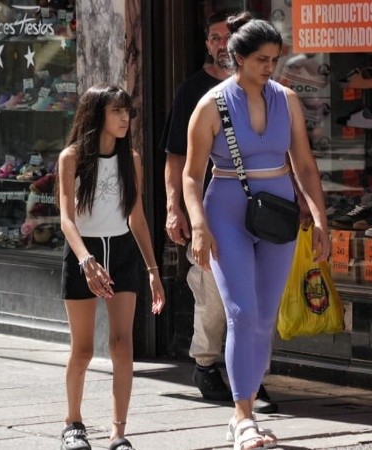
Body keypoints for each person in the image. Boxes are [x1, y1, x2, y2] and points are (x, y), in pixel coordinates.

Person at [182, 12, 330, 450]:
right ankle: (242, 414)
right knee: (241, 313)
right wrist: (197, 225)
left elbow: (304, 163)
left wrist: (320, 217)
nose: (270, 67)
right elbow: (191, 175)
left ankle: (244, 409)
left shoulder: (287, 99)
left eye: (275, 59)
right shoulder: (211, 105)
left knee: (265, 318)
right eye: (261, 59)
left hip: (279, 212)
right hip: (226, 210)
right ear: (239, 58)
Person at [161, 8, 277, 414]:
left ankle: (253, 379)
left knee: (257, 301)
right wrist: (175, 209)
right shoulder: (195, 91)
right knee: (214, 296)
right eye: (212, 37)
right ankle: (206, 364)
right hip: (214, 212)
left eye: (225, 36)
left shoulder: (268, 90)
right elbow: (177, 158)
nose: (218, 43)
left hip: (262, 213)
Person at [57, 84, 166, 450]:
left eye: (127, 112)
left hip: (121, 253)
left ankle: (118, 432)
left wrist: (153, 270)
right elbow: (66, 220)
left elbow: (136, 217)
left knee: (122, 344)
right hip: (83, 254)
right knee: (83, 349)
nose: (125, 118)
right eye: (117, 111)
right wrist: (86, 260)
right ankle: (73, 423)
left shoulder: (130, 158)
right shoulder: (71, 157)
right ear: (96, 114)